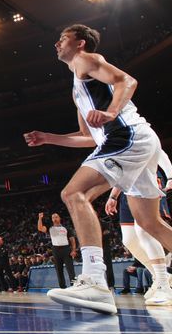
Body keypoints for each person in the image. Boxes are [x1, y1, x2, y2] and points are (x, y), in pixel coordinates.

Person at [24, 24, 172, 314]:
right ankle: (97, 282)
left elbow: (127, 81)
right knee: (149, 222)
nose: (57, 43)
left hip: (127, 136)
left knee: (73, 193)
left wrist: (111, 112)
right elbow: (89, 137)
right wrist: (49, 138)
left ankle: (94, 281)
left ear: (80, 44)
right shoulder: (78, 86)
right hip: (134, 141)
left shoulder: (87, 60)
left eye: (62, 38)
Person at [104, 148, 172, 305]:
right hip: (127, 190)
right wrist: (113, 195)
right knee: (129, 240)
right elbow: (123, 173)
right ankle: (160, 277)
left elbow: (159, 152)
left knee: (144, 231)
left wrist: (170, 176)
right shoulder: (110, 140)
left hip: (147, 181)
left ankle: (163, 283)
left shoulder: (132, 128)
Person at [37, 212, 77, 288]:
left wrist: (73, 250)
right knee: (59, 270)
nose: (55, 219)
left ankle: (74, 286)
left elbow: (72, 240)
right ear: (52, 220)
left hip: (66, 249)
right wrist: (40, 218)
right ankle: (62, 287)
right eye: (53, 217)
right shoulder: (50, 228)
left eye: (56, 217)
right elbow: (40, 228)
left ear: (59, 218)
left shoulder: (66, 228)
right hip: (56, 250)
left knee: (71, 269)